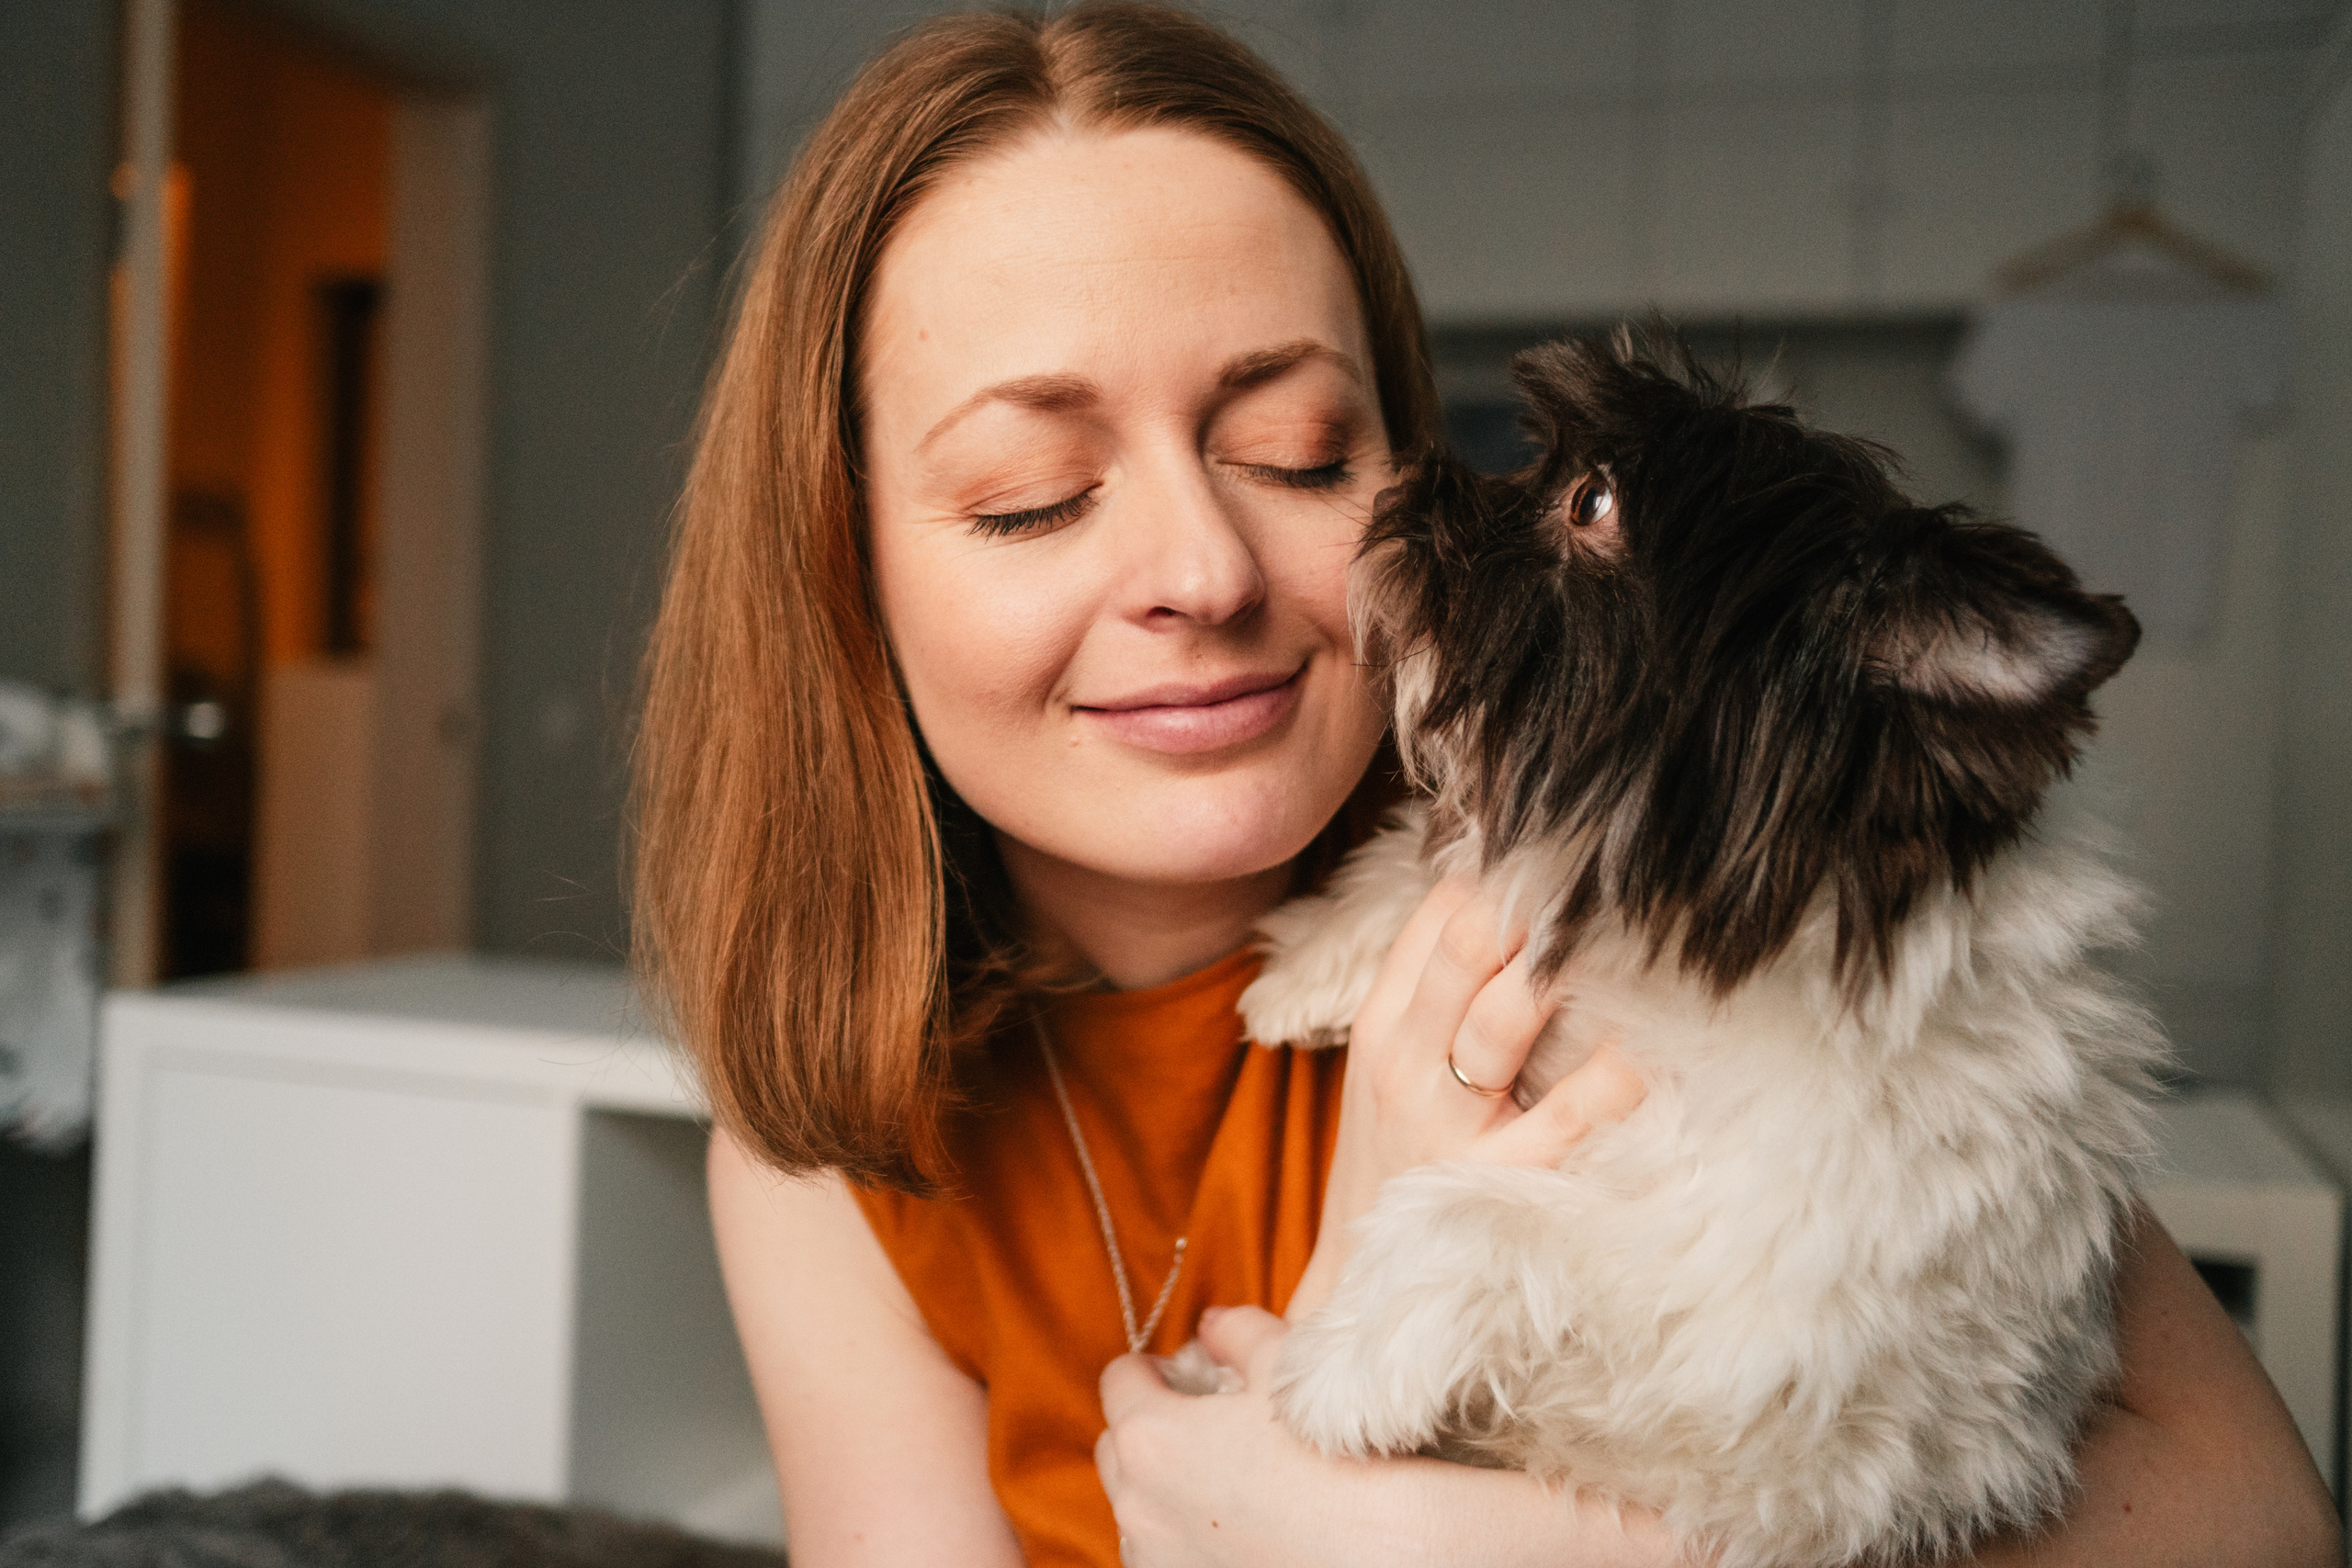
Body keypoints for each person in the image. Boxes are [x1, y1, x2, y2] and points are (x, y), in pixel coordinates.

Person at [632, 6, 2339, 1566]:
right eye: (1033, 493)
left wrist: (1515, 1554)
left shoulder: (1705, 885)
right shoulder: (833, 1153)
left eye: (1298, 453)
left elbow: (2262, 1525)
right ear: (840, 569)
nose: (1202, 572)